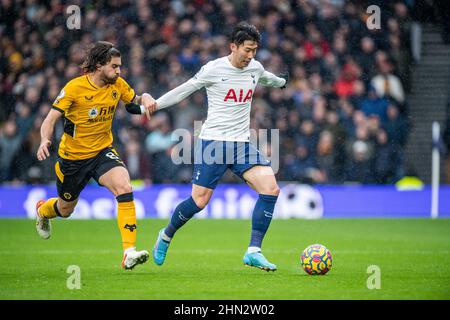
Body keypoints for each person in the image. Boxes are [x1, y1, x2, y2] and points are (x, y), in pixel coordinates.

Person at [137, 22, 288, 271]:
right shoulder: (213, 69)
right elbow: (182, 91)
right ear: (233, 46)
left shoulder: (255, 68)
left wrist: (282, 82)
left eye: (254, 51)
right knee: (199, 201)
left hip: (242, 143)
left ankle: (254, 250)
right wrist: (149, 107)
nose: (250, 56)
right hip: (214, 143)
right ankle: (166, 234)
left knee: (271, 189)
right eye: (247, 50)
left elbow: (268, 79)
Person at [35, 41, 157, 270]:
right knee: (65, 209)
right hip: (73, 159)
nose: (119, 71)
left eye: (120, 66)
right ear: (99, 65)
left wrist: (146, 97)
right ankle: (43, 210)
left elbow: (133, 102)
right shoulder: (74, 88)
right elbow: (50, 119)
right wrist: (44, 140)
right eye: (114, 66)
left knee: (125, 187)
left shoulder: (117, 84)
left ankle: (128, 252)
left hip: (102, 151)